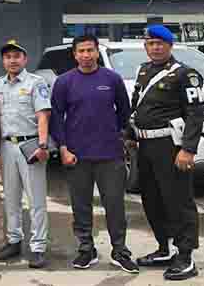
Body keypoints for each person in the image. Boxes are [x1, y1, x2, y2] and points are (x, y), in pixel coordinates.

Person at [50, 34, 138, 274]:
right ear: (74, 54)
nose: (86, 55)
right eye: (81, 51)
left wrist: (114, 134)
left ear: (97, 52)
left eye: (90, 50)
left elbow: (124, 111)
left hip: (110, 154)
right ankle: (86, 249)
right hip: (77, 155)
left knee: (115, 205)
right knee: (81, 206)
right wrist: (63, 147)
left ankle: (120, 251)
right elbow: (56, 117)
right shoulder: (64, 82)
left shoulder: (112, 79)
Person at [129, 25, 203, 281]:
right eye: (151, 43)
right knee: (152, 199)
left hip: (170, 146)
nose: (155, 47)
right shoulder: (144, 70)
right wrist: (130, 136)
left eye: (160, 43)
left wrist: (188, 149)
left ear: (170, 46)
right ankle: (165, 248)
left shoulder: (185, 74)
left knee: (178, 201)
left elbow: (195, 114)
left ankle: (185, 257)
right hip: (145, 145)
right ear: (145, 46)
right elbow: (137, 105)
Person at [0, 40, 52, 269]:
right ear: (3, 60)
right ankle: (14, 240)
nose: (12, 60)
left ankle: (38, 247)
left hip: (31, 145)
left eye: (17, 56)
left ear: (25, 59)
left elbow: (43, 116)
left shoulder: (36, 83)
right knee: (11, 198)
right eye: (8, 57)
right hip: (7, 146)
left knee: (36, 199)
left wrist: (43, 145)